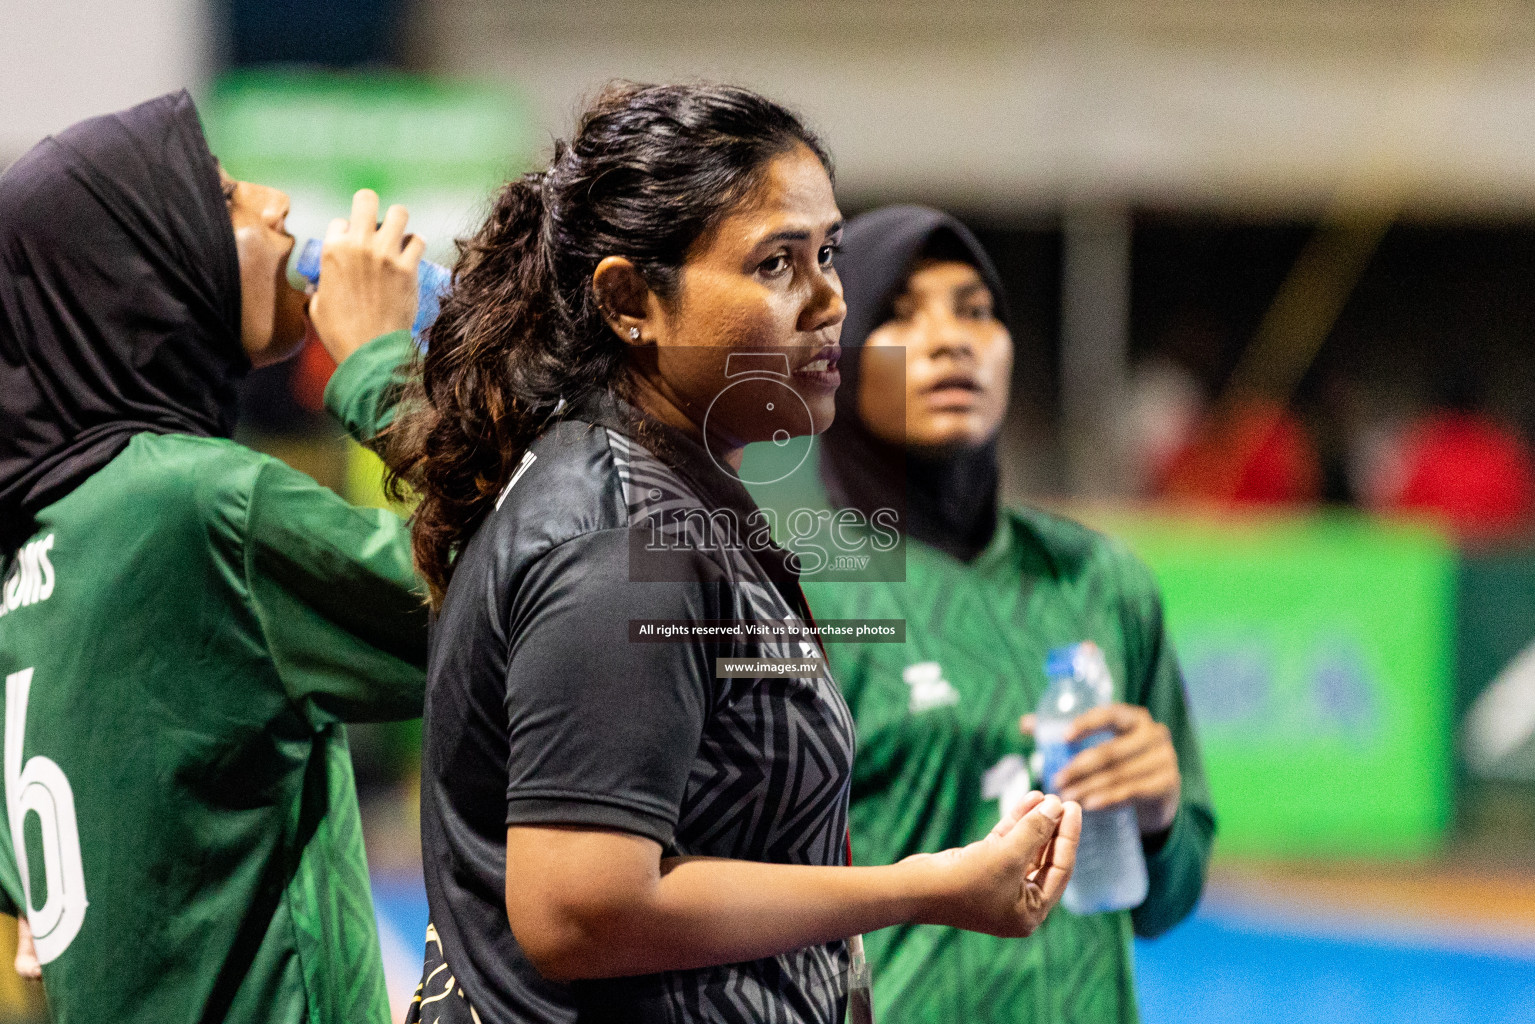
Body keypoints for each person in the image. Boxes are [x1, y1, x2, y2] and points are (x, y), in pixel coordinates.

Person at [382, 83, 1082, 1024]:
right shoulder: (618, 531)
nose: (831, 299)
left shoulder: (668, 487)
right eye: (775, 264)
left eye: (828, 252)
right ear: (632, 301)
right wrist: (922, 889)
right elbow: (579, 910)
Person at [0, 91, 429, 1023]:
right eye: (224, 195)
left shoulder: (36, 537)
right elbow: (517, 605)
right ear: (135, 267)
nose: (275, 204)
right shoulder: (192, 505)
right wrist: (383, 367)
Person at [772, 206, 1215, 1023]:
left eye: (976, 312)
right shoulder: (787, 583)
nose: (951, 340)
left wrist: (1157, 818)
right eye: (903, 312)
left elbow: (1165, 904)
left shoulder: (1099, 579)